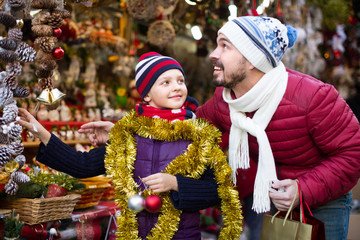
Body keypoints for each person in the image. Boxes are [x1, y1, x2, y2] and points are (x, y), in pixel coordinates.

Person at [18, 52, 242, 240]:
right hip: (133, 234)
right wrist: (41, 132)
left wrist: (176, 184)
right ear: (146, 95)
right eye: (166, 82)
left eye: (180, 81)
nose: (176, 87)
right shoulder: (130, 137)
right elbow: (82, 166)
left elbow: (218, 191)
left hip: (182, 235)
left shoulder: (198, 134)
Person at [195, 16, 360, 240]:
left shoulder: (314, 97)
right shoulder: (224, 100)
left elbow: (352, 153)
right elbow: (192, 132)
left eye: (225, 46)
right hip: (273, 197)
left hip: (324, 201)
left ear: (252, 58)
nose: (214, 53)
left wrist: (302, 190)